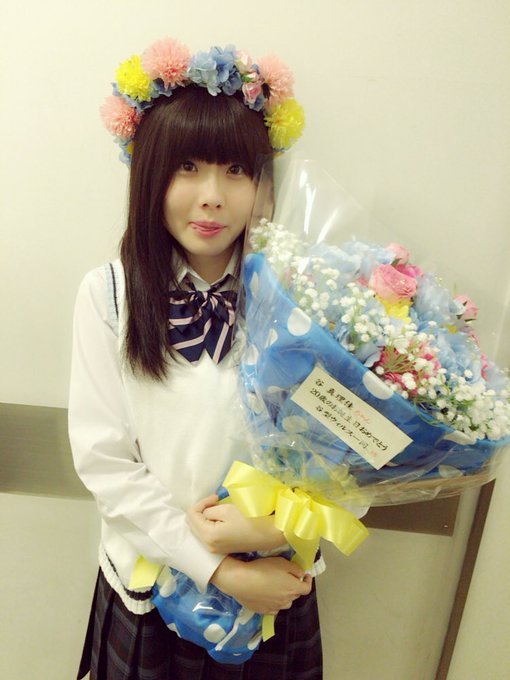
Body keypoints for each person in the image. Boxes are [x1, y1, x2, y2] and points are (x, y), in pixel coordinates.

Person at [69, 37, 322, 680]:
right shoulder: (109, 295)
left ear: (264, 184)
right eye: (187, 167)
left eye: (235, 170)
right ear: (149, 177)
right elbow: (106, 465)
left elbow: (349, 452)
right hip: (153, 587)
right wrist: (215, 567)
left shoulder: (302, 300)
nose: (211, 196)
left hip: (272, 586)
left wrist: (279, 530)